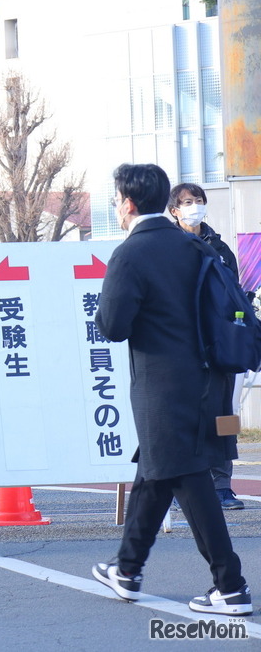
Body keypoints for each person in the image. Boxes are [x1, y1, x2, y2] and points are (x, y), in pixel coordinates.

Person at [92, 163, 250, 616]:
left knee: (187, 476)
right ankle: (127, 568)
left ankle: (230, 586)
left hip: (163, 385)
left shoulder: (131, 253)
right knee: (155, 469)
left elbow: (113, 326)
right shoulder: (194, 245)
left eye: (117, 200)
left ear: (127, 203)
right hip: (210, 378)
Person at [170, 182, 246, 511]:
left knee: (225, 416)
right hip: (181, 346)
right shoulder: (167, 246)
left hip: (220, 346)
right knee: (184, 418)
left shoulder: (220, 247)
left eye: (198, 200)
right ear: (174, 211)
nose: (194, 206)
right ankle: (187, 489)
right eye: (186, 202)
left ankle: (223, 486)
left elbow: (236, 295)